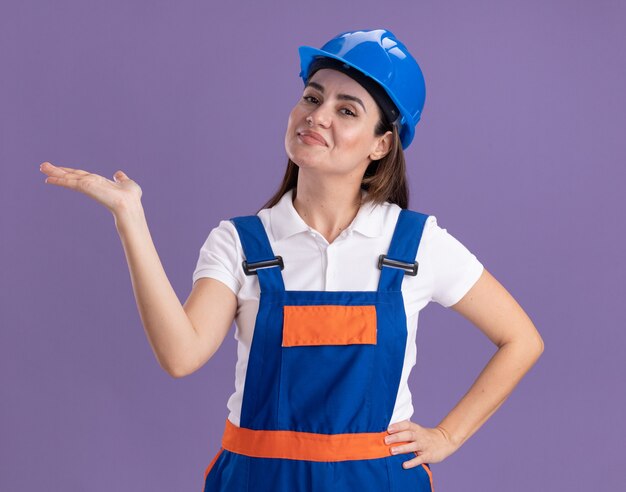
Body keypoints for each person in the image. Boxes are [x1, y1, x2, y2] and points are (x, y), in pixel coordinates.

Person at [39, 28, 544, 492]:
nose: (318, 116)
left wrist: (449, 436)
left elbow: (522, 340)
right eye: (312, 97)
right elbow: (181, 354)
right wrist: (130, 216)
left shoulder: (414, 244)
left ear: (381, 143)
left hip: (377, 482)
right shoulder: (241, 243)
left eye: (347, 111)